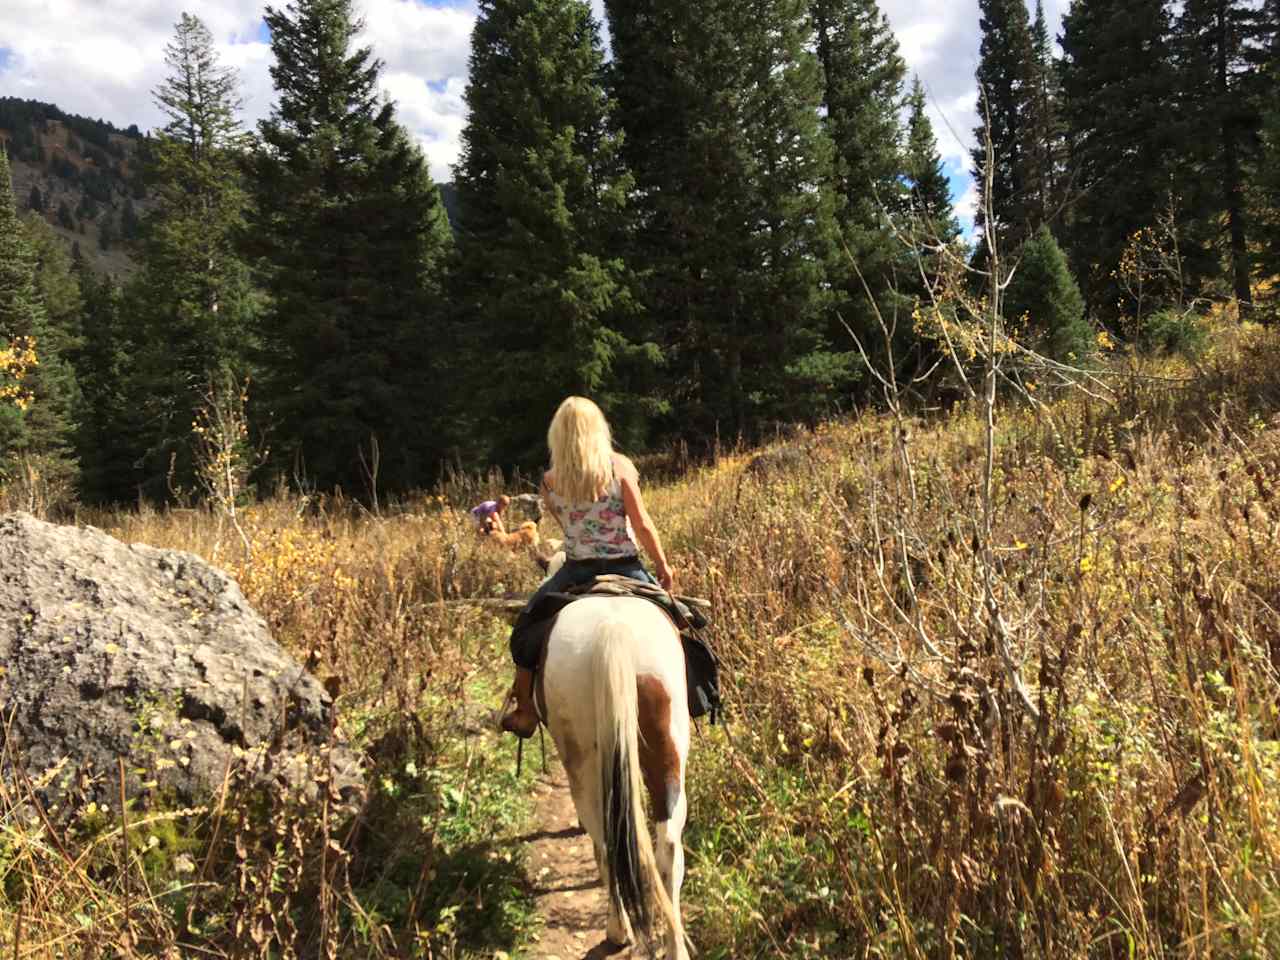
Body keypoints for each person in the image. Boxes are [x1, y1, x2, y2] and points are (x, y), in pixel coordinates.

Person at [501, 396, 675, 738]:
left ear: (558, 436)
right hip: (625, 566)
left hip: (576, 571)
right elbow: (641, 525)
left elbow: (567, 528)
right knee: (680, 621)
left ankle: (524, 711)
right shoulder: (620, 468)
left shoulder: (550, 481)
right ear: (598, 430)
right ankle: (696, 698)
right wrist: (663, 566)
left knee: (525, 629)